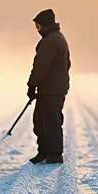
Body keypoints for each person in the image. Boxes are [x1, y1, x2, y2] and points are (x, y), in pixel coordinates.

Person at [26, 9, 71, 164]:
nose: (37, 30)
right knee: (41, 119)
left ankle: (54, 153)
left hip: (52, 89)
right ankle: (45, 151)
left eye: (38, 26)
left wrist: (32, 85)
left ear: (45, 25)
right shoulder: (58, 38)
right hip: (52, 88)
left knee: (50, 120)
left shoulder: (51, 41)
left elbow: (41, 66)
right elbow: (67, 64)